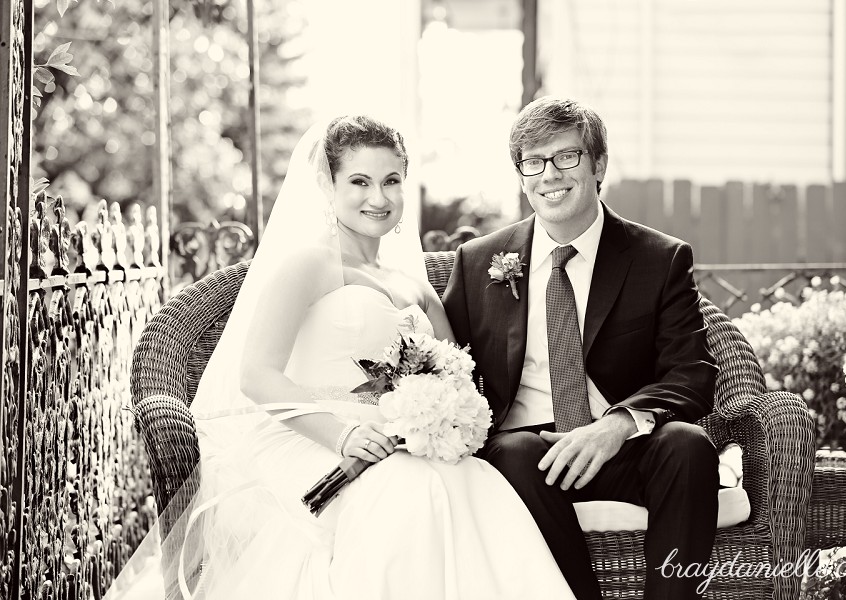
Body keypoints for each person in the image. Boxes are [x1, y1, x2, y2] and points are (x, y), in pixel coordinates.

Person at [105, 115, 576, 600]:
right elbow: (257, 376)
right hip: (313, 436)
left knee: (474, 484)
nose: (379, 197)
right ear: (326, 185)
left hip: (401, 443)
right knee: (407, 495)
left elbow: (457, 376)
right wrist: (345, 434)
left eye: (392, 181)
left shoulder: (415, 287)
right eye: (360, 181)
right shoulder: (308, 264)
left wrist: (441, 422)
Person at [442, 96, 720, 600]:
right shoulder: (478, 261)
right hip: (526, 458)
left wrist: (616, 425)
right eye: (533, 161)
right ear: (522, 175)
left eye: (566, 156)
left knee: (689, 445)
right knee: (516, 450)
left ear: (599, 166)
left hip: (623, 447)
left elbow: (693, 374)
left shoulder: (660, 259)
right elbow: (445, 370)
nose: (549, 173)